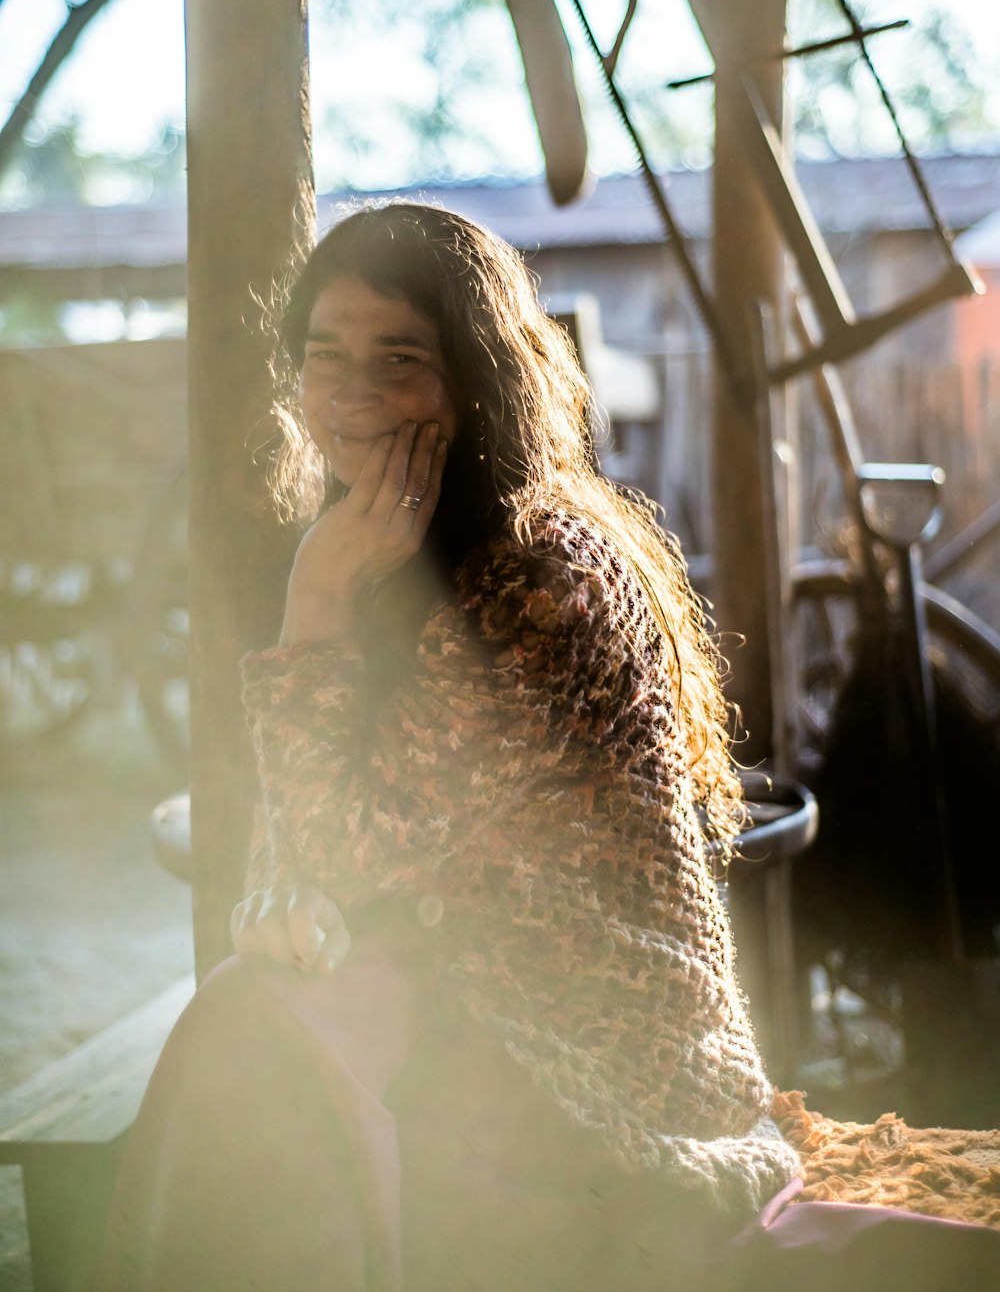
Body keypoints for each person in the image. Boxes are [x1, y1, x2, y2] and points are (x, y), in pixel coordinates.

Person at [99, 202, 999, 1292]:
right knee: (251, 1023)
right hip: (453, 1021)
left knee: (250, 1048)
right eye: (324, 353)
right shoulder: (392, 547)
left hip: (591, 1072)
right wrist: (281, 904)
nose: (349, 391)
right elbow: (303, 866)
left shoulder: (542, 574)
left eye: (399, 356)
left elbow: (343, 844)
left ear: (476, 381)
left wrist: (315, 598)